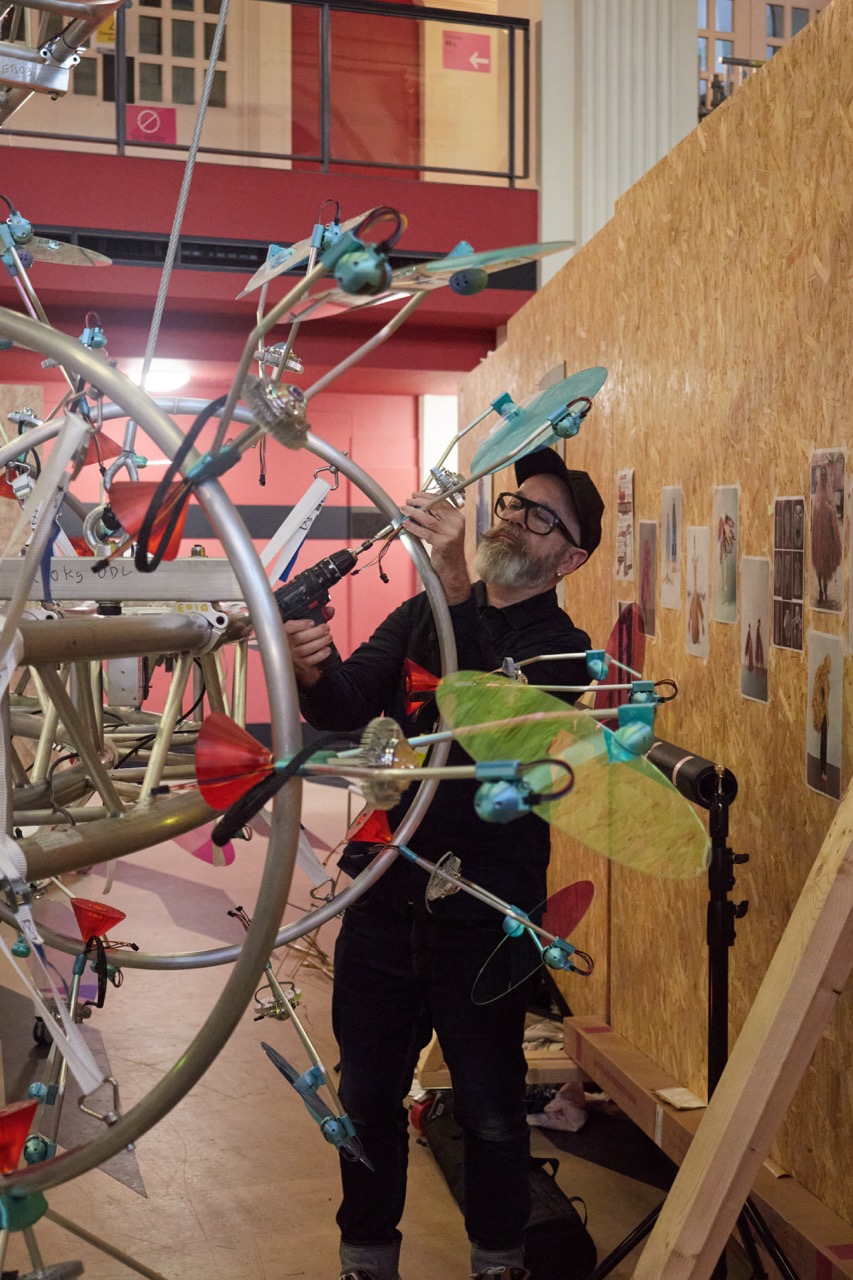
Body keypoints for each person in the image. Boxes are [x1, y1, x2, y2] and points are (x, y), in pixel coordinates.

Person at [283, 447, 602, 1280]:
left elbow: (494, 718)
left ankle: (499, 1262)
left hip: (484, 912)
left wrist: (457, 587)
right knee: (364, 1101)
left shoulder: (565, 650)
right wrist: (310, 667)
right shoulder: (421, 614)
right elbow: (348, 704)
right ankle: (366, 1261)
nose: (512, 517)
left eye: (540, 515)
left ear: (568, 557)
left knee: (492, 1110)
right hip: (388, 896)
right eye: (511, 502)